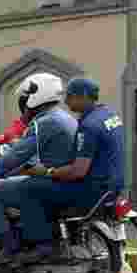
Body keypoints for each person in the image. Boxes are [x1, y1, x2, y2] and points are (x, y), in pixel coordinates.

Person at [0, 73, 78, 266]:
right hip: (66, 181)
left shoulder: (44, 123)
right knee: (16, 183)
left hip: (53, 184)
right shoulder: (64, 117)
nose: (23, 105)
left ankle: (9, 248)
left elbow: (12, 158)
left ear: (36, 98)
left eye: (24, 100)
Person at [27, 77, 125, 225]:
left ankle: (43, 242)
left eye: (70, 96)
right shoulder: (110, 115)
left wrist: (47, 172)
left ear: (84, 96)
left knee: (29, 189)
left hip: (93, 190)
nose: (66, 102)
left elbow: (78, 172)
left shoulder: (88, 126)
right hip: (114, 187)